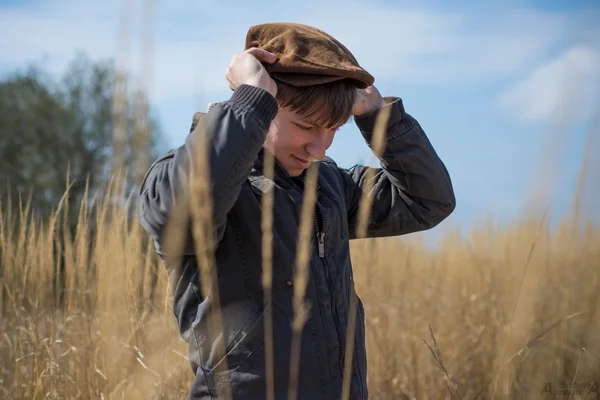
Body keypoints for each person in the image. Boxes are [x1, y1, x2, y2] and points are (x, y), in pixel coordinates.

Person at [138, 22, 456, 400]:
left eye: (334, 129)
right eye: (306, 126)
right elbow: (181, 216)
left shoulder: (331, 185)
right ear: (260, 104)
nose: (319, 149)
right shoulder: (187, 178)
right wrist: (250, 96)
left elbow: (429, 201)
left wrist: (377, 116)